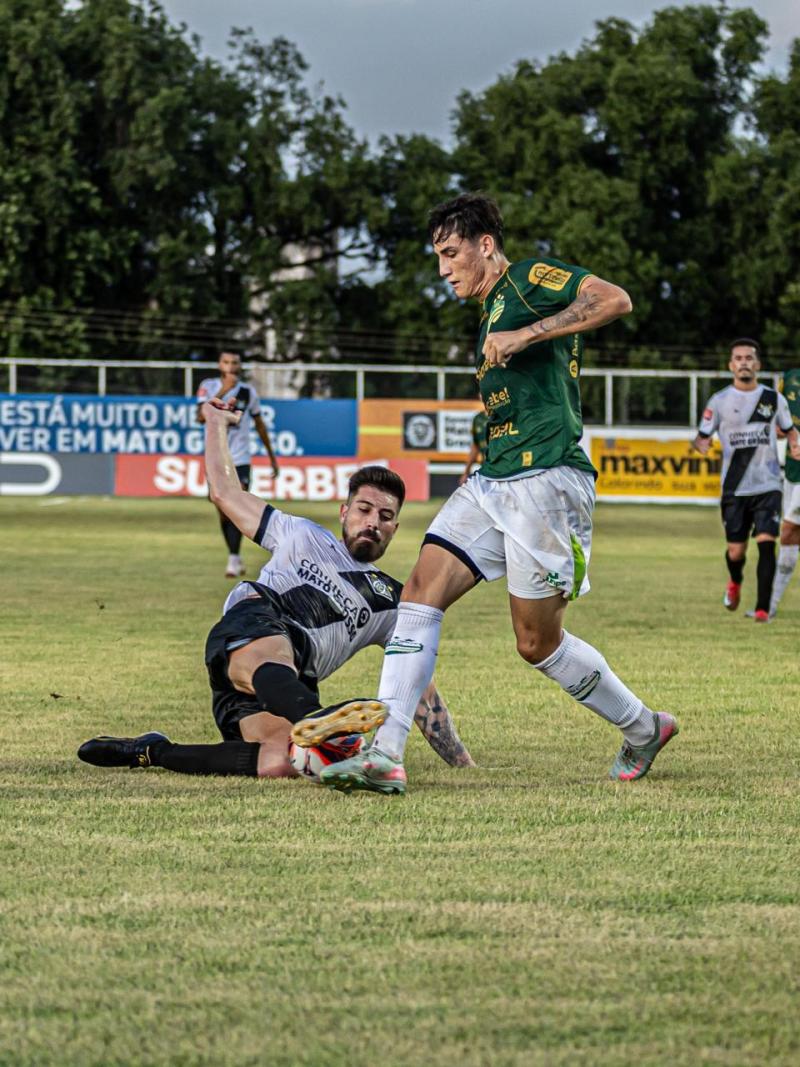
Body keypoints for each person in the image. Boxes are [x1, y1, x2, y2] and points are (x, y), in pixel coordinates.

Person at [293, 192, 678, 795]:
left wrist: (529, 333)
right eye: (438, 257)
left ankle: (643, 727)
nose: (444, 268)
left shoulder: (527, 281)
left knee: (536, 644)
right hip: (494, 480)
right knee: (418, 592)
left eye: (451, 253)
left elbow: (613, 299)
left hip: (549, 481)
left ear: (486, 246)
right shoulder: (490, 308)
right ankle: (386, 754)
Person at [78, 398, 473, 780]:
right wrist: (216, 426)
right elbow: (225, 494)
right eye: (364, 509)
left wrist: (463, 764)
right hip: (255, 624)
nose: (373, 521)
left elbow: (419, 689)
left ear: (395, 529)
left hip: (291, 682)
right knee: (277, 650)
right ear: (344, 512)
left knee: (282, 762)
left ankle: (152, 751)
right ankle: (313, 719)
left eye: (385, 516)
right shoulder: (299, 533)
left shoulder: (391, 601)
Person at [693, 340, 800, 621]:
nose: (743, 362)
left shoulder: (773, 399)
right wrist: (700, 444)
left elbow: (790, 430)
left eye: (749, 358)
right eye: (738, 358)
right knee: (736, 551)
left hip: (768, 484)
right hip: (734, 487)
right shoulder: (719, 401)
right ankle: (735, 581)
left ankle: (763, 608)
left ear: (758, 365)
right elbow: (701, 436)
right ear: (731, 365)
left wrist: (794, 443)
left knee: (767, 542)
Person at [197, 351, 279, 577]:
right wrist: (223, 391)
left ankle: (233, 559)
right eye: (226, 362)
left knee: (237, 503)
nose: (231, 366)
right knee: (223, 508)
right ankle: (234, 555)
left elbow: (259, 424)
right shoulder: (208, 386)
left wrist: (272, 458)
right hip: (215, 457)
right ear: (219, 365)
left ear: (239, 366)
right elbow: (200, 416)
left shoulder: (247, 391)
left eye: (235, 362)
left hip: (240, 458)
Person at [769, 367, 800, 616]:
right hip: (792, 472)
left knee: (789, 531)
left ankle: (769, 606)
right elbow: (777, 426)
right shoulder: (789, 379)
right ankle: (770, 605)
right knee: (789, 538)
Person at [459, 400, 489, 485]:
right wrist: (466, 472)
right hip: (486, 470)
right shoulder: (478, 419)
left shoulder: (502, 417)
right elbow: (476, 446)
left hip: (503, 470)